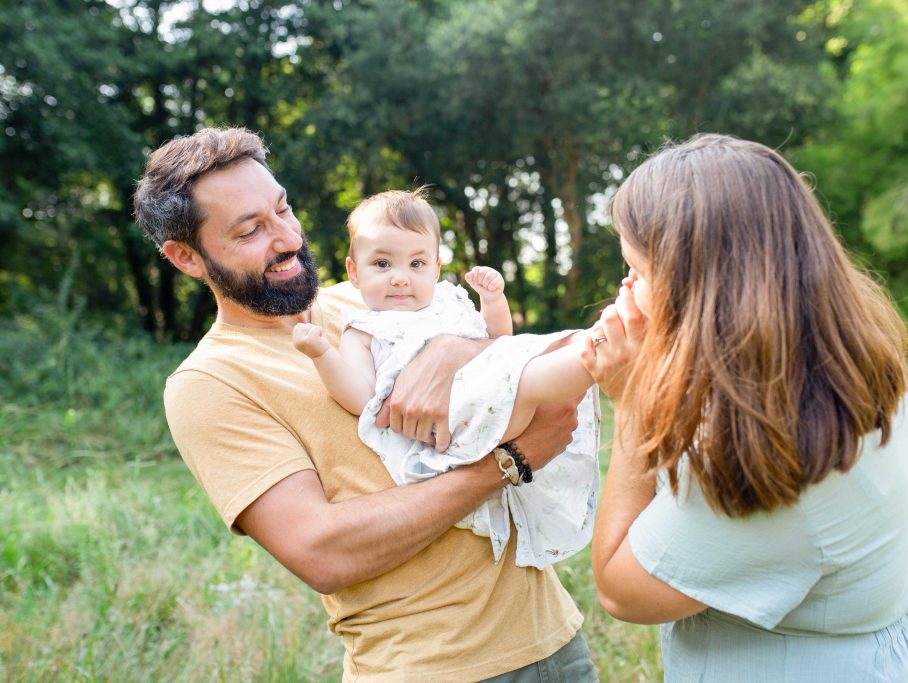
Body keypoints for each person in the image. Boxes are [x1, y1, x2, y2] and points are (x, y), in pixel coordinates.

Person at [133, 127, 599, 682]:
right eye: (251, 229)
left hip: (556, 642)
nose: (285, 237)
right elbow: (322, 552)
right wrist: (507, 462)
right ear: (186, 257)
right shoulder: (211, 383)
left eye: (282, 209)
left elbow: (519, 354)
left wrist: (458, 347)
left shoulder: (373, 298)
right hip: (427, 669)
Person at [581, 134, 908, 681]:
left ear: (698, 286)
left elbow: (622, 591)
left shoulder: (759, 450)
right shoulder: (841, 359)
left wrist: (633, 402)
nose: (625, 287)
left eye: (636, 270)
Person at [291, 188, 600, 569]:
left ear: (437, 268)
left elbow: (497, 339)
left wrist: (492, 301)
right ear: (354, 272)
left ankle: (593, 357)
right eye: (383, 264)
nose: (401, 278)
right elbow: (362, 397)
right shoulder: (364, 330)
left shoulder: (449, 301)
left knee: (525, 373)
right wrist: (322, 354)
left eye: (417, 264)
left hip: (496, 400)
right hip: (453, 429)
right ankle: (596, 353)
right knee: (528, 377)